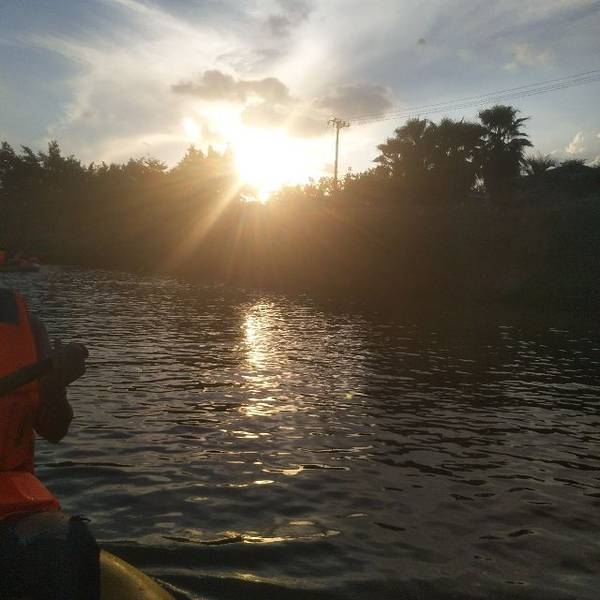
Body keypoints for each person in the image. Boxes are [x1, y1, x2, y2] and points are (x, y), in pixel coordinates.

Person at [0, 287, 99, 599]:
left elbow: (55, 430)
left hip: (11, 507)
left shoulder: (31, 328)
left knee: (72, 544)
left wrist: (55, 387)